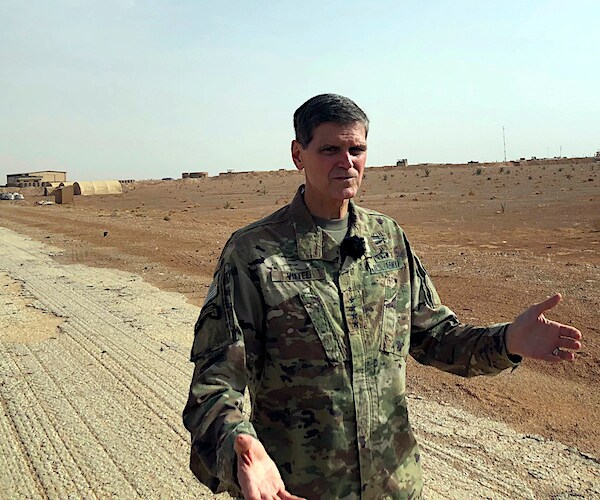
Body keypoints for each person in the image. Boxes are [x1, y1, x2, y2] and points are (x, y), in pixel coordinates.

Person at [182, 94, 582, 500]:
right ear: (298, 155)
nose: (347, 161)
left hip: (395, 487)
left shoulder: (386, 239)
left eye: (357, 149)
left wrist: (508, 340)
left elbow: (435, 337)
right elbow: (215, 385)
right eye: (330, 149)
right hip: (295, 490)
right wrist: (242, 452)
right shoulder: (254, 253)